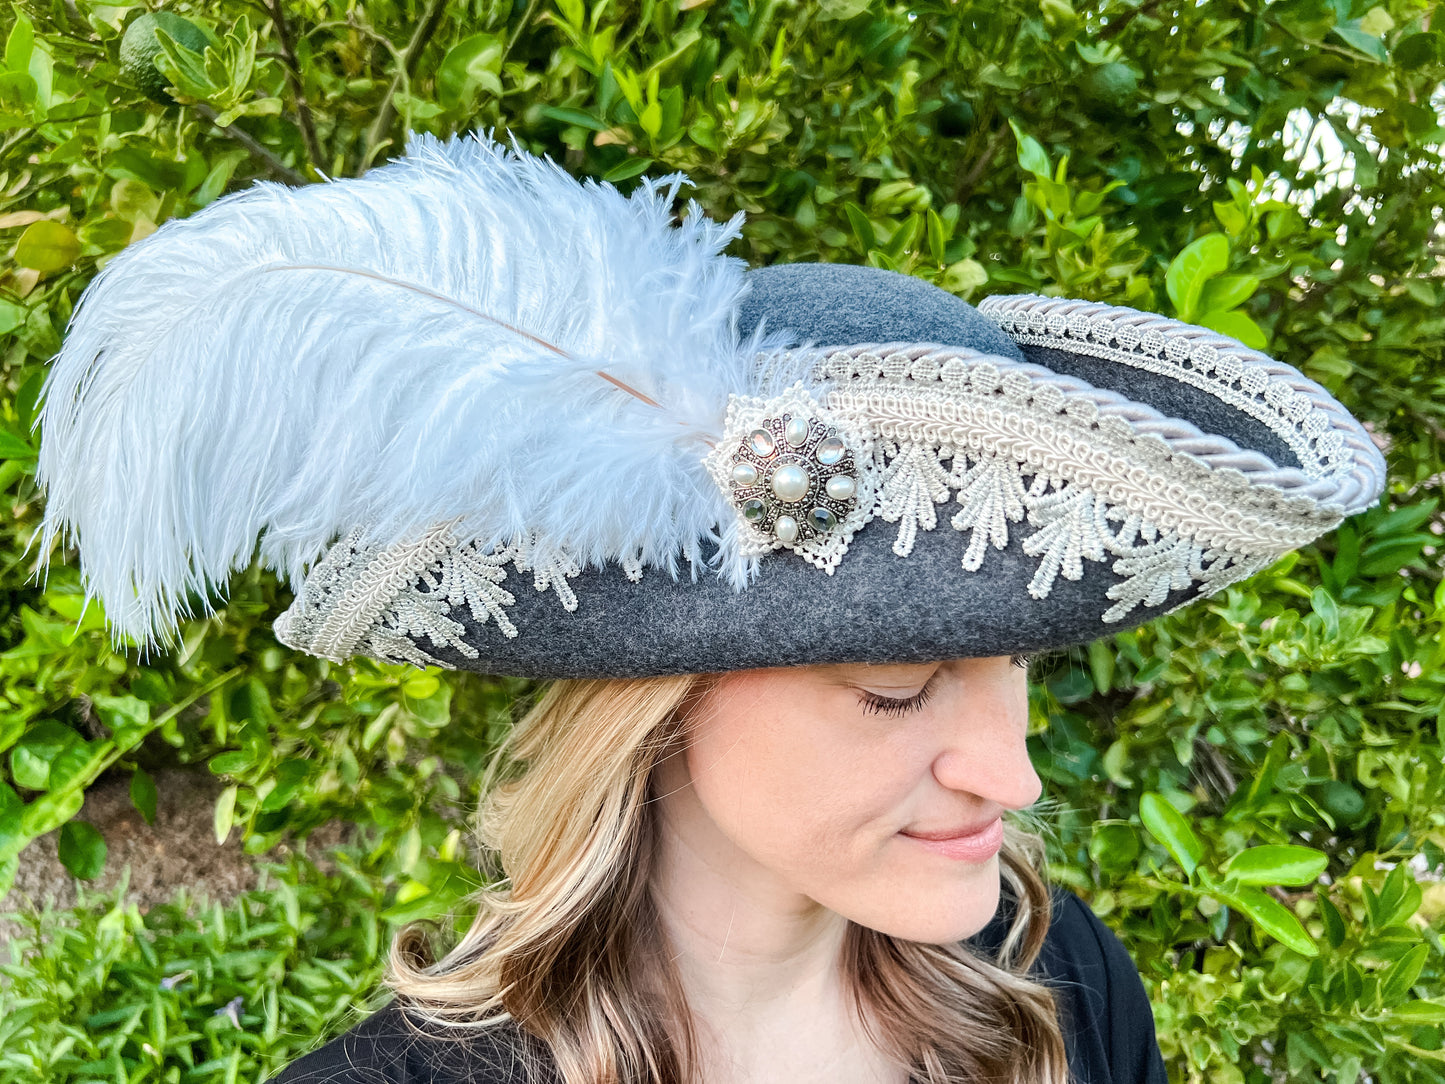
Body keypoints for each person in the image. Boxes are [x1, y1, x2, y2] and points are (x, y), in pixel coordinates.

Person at [36, 133, 1386, 1083]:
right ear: (655, 702)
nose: (1012, 769)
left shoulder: (1054, 984)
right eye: (895, 688)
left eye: (1015, 665)